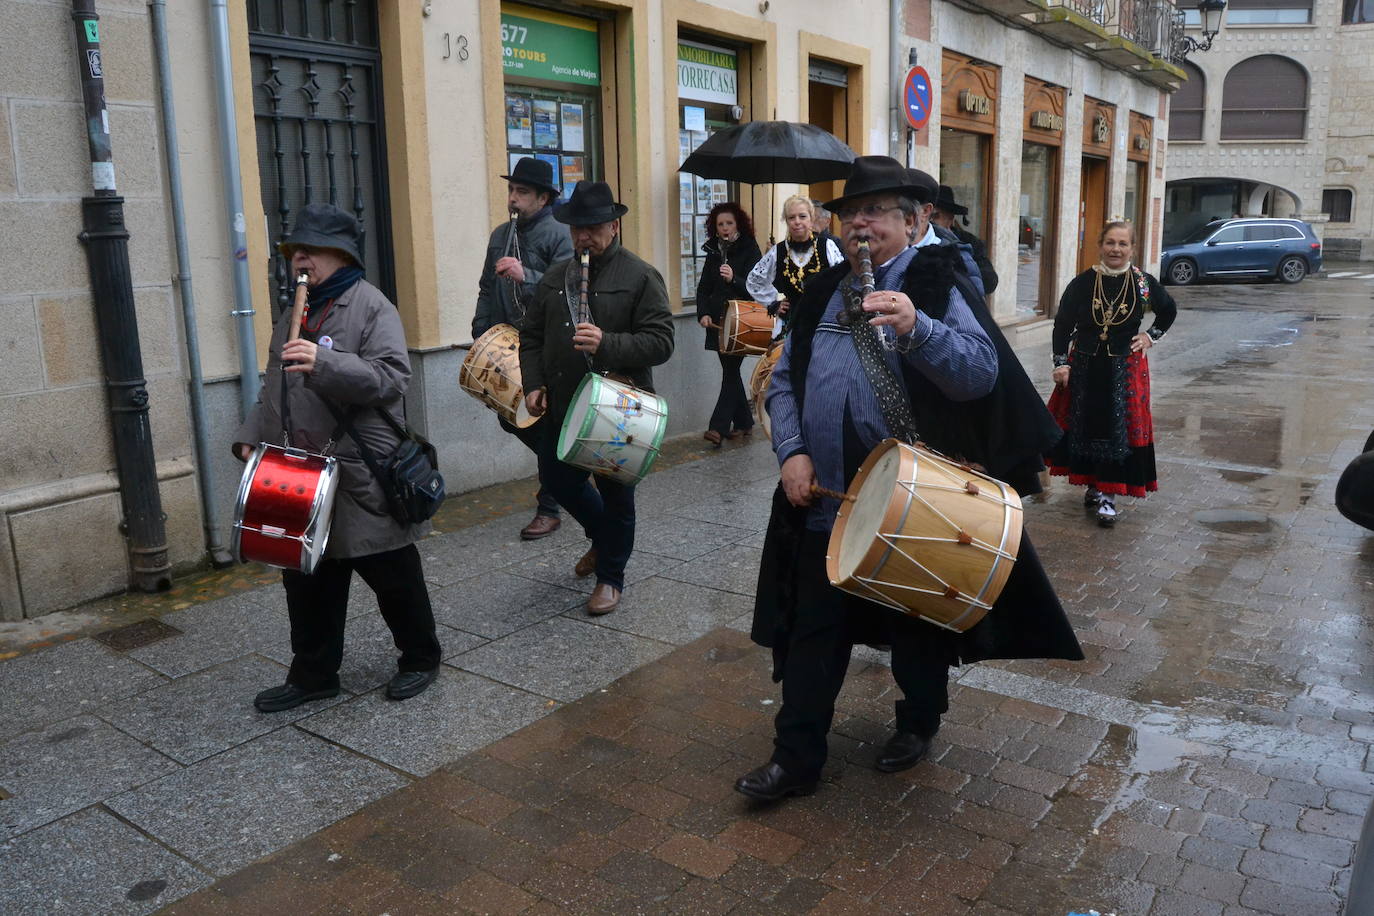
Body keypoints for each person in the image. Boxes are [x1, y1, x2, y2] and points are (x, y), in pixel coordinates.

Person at [737, 157, 1081, 802]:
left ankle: (919, 720)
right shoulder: (822, 290)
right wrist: (791, 453)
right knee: (815, 627)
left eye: (877, 212)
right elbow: (783, 382)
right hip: (825, 499)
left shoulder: (937, 280)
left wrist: (917, 328)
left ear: (914, 220)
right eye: (849, 214)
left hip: (912, 502)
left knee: (917, 633)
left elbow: (981, 374)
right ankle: (796, 758)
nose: (859, 224)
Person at [234, 203, 442, 712]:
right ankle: (313, 674)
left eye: (311, 249)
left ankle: (419, 657)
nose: (299, 257)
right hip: (300, 473)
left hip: (360, 470)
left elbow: (393, 379)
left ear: (342, 256)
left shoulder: (372, 306)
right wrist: (251, 436)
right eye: (293, 251)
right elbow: (272, 388)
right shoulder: (292, 312)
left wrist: (325, 362)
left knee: (392, 574)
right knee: (306, 579)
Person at [520, 181, 674, 615]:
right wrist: (533, 383)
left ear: (613, 225)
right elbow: (530, 336)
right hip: (565, 401)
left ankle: (611, 577)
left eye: (592, 227)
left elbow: (662, 342)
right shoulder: (556, 277)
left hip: (620, 406)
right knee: (556, 479)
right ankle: (604, 540)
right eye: (576, 229)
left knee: (616, 494)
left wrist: (608, 342)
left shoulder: (640, 275)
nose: (583, 236)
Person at [1046, 220, 1176, 526]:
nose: (1115, 249)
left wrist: (1150, 336)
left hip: (1126, 367)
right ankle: (1094, 484)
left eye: (1122, 244)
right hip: (1086, 365)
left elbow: (1168, 310)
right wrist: (1061, 363)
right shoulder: (1083, 282)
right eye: (1110, 243)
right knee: (1089, 426)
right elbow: (1063, 324)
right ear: (1100, 245)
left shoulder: (1143, 283)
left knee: (1120, 430)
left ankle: (1109, 494)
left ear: (1132, 248)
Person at [474, 157, 574, 541]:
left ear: (544, 198)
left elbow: (568, 288)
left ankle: (550, 504)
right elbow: (486, 285)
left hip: (545, 345)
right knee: (509, 416)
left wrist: (526, 275)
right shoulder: (501, 233)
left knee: (542, 420)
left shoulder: (559, 233)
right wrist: (481, 331)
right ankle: (564, 471)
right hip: (506, 341)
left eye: (522, 193)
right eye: (511, 191)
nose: (513, 199)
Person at [695, 202, 762, 446]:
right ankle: (744, 422)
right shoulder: (713, 251)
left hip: (741, 321)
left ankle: (718, 427)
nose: (724, 228)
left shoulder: (750, 248)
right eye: (720, 224)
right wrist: (702, 313)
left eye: (729, 223)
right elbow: (703, 288)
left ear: (738, 224)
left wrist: (734, 279)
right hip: (717, 322)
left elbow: (757, 287)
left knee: (731, 371)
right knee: (730, 372)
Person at [746, 195, 843, 334]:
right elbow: (754, 281)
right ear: (786, 221)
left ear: (811, 219)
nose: (797, 222)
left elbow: (843, 280)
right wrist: (773, 304)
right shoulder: (777, 252)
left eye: (802, 216)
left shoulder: (827, 246)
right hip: (791, 323)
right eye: (791, 217)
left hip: (823, 322)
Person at [931, 184, 998, 296]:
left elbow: (989, 281)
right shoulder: (917, 240)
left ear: (950, 218)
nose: (930, 222)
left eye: (935, 216)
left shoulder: (969, 242)